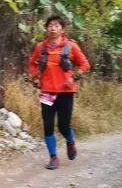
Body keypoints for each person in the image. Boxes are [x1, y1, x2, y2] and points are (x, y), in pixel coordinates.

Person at [28, 14, 90, 170]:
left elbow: (85, 64)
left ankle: (70, 141)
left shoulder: (71, 46)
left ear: (62, 30)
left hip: (66, 92)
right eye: (50, 26)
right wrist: (35, 77)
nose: (53, 28)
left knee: (63, 126)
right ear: (46, 29)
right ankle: (53, 157)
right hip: (47, 92)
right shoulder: (40, 47)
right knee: (48, 125)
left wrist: (74, 77)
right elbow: (32, 64)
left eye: (56, 26)